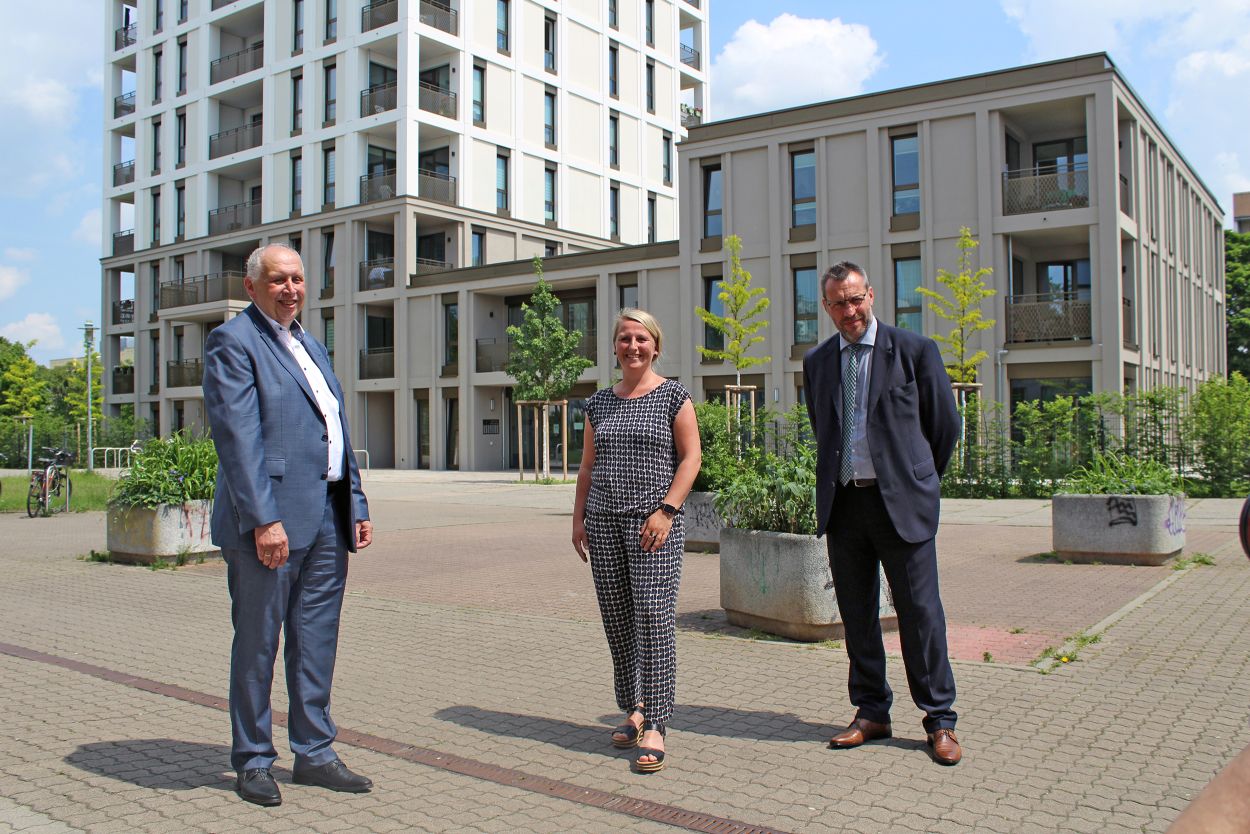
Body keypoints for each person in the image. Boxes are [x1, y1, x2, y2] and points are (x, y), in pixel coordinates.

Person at [203, 243, 374, 806]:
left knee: (316, 640)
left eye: (297, 278)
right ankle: (253, 759)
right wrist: (263, 519)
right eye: (278, 279)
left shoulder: (310, 343)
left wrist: (357, 502)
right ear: (252, 287)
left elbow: (336, 428)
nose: (291, 288)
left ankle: (315, 753)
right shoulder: (233, 342)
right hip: (269, 523)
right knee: (257, 644)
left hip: (327, 517)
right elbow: (238, 440)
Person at [802, 261, 963, 766]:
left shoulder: (914, 351)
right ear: (825, 308)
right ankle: (872, 711)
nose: (849, 311)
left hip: (902, 506)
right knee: (857, 616)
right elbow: (823, 428)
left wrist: (917, 480)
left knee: (920, 615)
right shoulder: (818, 361)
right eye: (838, 303)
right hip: (846, 505)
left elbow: (944, 427)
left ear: (870, 295)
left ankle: (939, 720)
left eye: (856, 300)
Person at [571, 309, 701, 773]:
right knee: (618, 619)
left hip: (652, 526)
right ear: (614, 346)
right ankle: (633, 707)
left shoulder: (673, 396)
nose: (632, 346)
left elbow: (690, 459)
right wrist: (578, 518)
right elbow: (587, 466)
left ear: (655, 346)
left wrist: (667, 511)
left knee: (653, 616)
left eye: (640, 338)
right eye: (624, 338)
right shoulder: (599, 404)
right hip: (603, 523)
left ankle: (658, 722)